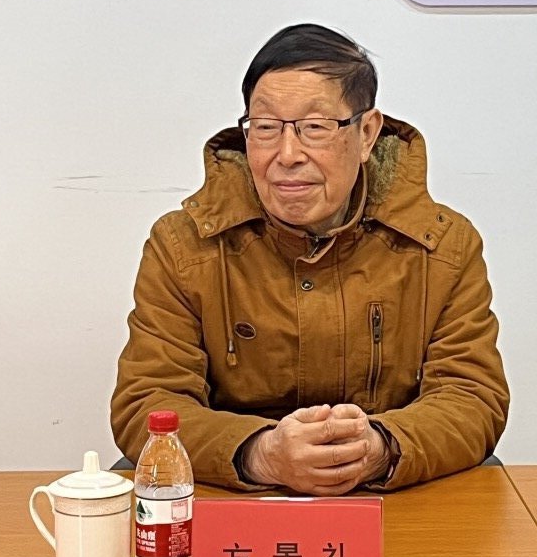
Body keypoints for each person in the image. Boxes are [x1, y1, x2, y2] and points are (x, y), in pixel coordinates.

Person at [111, 24, 509, 494]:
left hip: (389, 493)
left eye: (315, 128)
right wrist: (260, 453)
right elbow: (147, 402)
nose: (287, 155)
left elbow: (472, 397)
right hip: (239, 500)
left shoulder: (442, 246)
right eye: (265, 128)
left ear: (367, 134)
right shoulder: (184, 245)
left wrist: (378, 446)